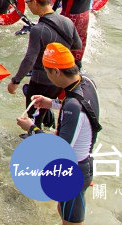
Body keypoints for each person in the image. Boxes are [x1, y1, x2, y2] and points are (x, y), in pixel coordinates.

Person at [15, 44, 100, 225]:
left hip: (74, 170)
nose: (47, 76)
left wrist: (31, 128)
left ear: (56, 72)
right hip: (83, 162)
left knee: (71, 221)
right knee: (64, 211)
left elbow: (58, 150)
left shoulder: (72, 105)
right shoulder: (86, 81)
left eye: (47, 72)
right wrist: (50, 103)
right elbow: (81, 106)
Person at [8, 0, 83, 130]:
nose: (28, 5)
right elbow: (77, 45)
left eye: (28, 2)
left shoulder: (38, 29)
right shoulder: (67, 21)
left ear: (35, 2)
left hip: (40, 79)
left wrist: (15, 81)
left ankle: (33, 144)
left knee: (31, 119)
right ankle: (49, 129)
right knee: (45, 109)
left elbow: (29, 59)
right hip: (59, 80)